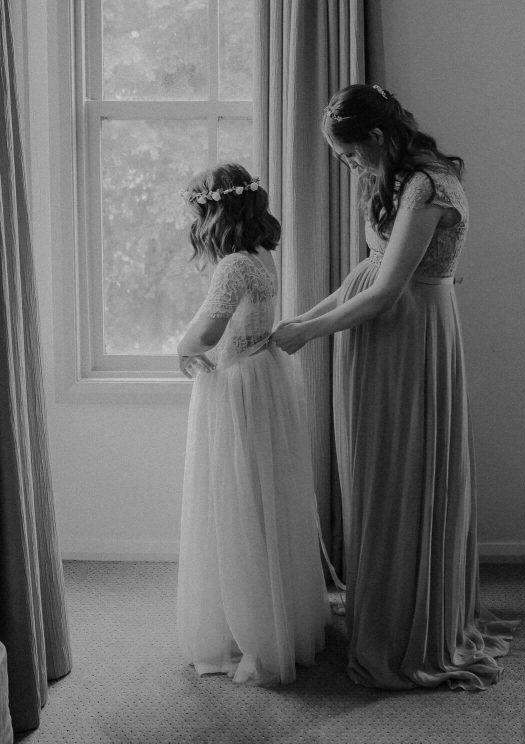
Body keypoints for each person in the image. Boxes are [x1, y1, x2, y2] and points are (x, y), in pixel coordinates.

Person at [272, 83, 518, 691]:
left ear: (379, 137)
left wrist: (311, 334)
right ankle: (380, 601)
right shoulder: (390, 180)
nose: (352, 167)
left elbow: (386, 291)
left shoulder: (428, 186)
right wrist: (304, 318)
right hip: (375, 337)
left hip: (410, 338)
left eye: (353, 155)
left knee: (404, 473)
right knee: (376, 473)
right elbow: (366, 271)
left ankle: (410, 621)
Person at [176, 163, 330, 686]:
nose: (193, 221)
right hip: (262, 376)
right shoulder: (262, 254)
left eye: (196, 211)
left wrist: (183, 345)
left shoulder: (233, 266)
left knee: (237, 501)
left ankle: (249, 628)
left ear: (213, 211)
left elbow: (209, 329)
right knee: (264, 497)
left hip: (236, 386)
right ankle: (276, 616)